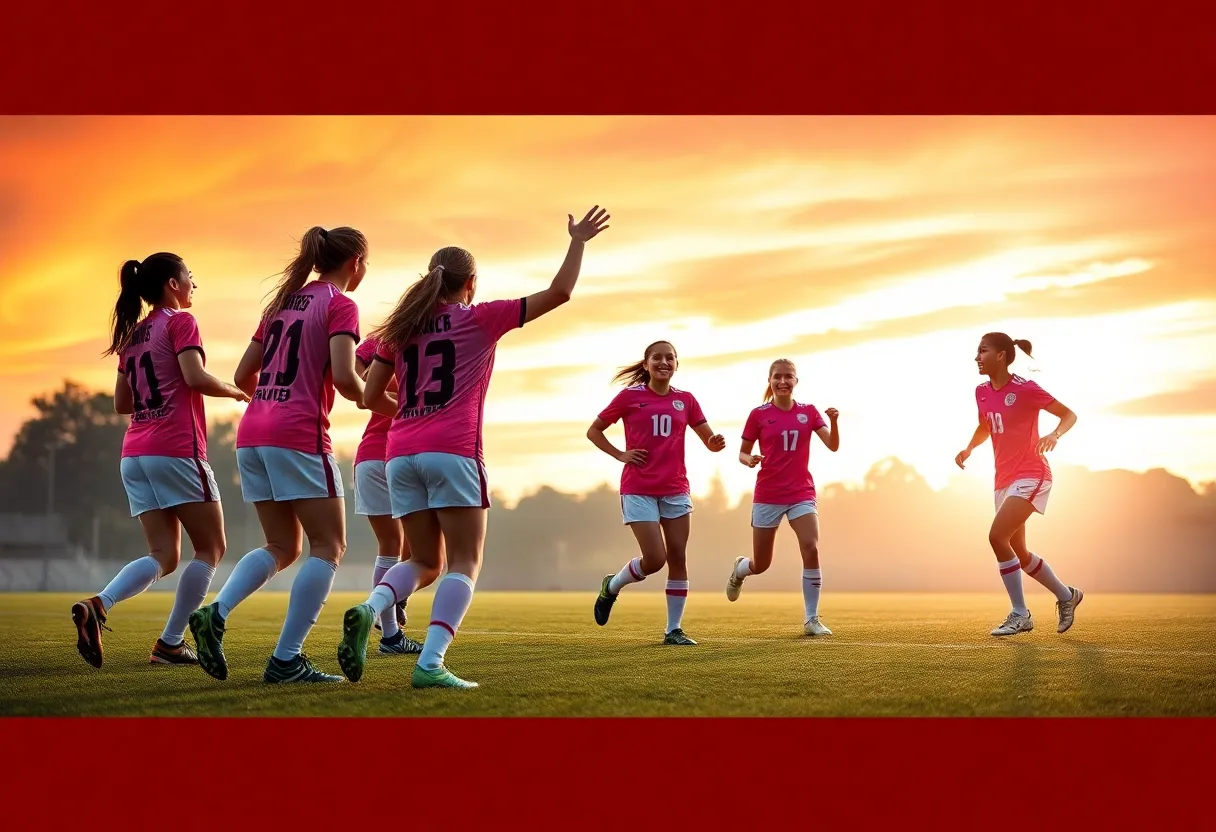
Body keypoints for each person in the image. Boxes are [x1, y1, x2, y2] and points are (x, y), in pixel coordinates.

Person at [338, 206, 611, 689]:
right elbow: (560, 293)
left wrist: (406, 412)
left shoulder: (399, 329)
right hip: (454, 450)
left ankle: (371, 607)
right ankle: (430, 664)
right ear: (471, 284)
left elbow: (366, 396)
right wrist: (578, 242)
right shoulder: (481, 318)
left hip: (399, 452)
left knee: (422, 561)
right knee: (463, 562)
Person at [188, 226, 367, 683]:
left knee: (282, 546)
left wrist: (269, 404)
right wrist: (387, 402)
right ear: (356, 263)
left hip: (254, 432)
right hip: (298, 432)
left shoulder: (281, 305)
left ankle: (217, 611)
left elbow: (243, 374)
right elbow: (348, 381)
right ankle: (286, 659)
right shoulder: (341, 304)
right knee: (329, 546)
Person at [72, 253, 248, 669]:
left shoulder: (133, 336)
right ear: (173, 283)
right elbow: (195, 376)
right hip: (176, 449)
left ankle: (99, 604)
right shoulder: (180, 322)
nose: (194, 285)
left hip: (135, 453)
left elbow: (121, 403)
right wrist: (236, 391)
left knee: (165, 555)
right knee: (211, 547)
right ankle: (170, 643)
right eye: (190, 276)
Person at [589, 340, 728, 645]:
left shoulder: (687, 400)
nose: (664, 362)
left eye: (670, 358)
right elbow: (594, 431)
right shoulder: (629, 397)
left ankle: (673, 630)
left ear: (677, 364)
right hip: (638, 489)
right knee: (655, 559)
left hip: (675, 489)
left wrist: (714, 442)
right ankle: (611, 586)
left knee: (678, 557)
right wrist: (620, 454)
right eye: (657, 358)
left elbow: (707, 437)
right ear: (647, 363)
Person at [954, 333, 1083, 637]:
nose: (977, 357)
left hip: (1032, 473)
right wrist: (970, 447)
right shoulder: (981, 392)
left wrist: (1054, 435)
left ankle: (1020, 613)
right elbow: (986, 425)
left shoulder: (1026, 389)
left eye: (982, 351)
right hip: (1003, 480)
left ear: (1001, 355)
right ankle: (1067, 596)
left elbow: (1069, 414)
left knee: (997, 536)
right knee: (1019, 551)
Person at [725, 359, 839, 636]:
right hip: (768, 494)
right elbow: (741, 452)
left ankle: (811, 619)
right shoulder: (759, 415)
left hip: (801, 493)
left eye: (788, 377)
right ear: (770, 380)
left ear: (796, 381)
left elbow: (833, 445)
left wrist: (834, 422)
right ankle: (741, 570)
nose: (783, 382)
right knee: (761, 564)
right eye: (778, 377)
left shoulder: (809, 412)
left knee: (811, 548)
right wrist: (748, 459)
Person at [353, 334, 434, 655]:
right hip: (399, 458)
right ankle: (389, 631)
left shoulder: (388, 346)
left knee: (405, 546)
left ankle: (394, 603)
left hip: (371, 458)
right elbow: (357, 371)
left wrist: (375, 377)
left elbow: (355, 367)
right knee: (408, 548)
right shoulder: (420, 344)